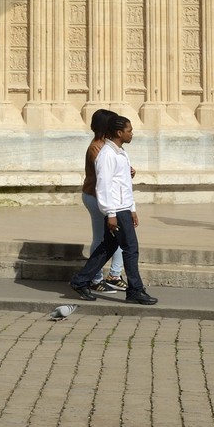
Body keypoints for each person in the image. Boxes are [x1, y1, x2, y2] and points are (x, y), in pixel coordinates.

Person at [69, 113, 158, 305]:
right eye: (129, 130)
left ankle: (80, 280)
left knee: (108, 247)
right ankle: (135, 289)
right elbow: (103, 186)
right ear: (119, 133)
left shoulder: (121, 153)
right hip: (116, 209)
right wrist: (110, 214)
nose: (131, 134)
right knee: (131, 248)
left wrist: (132, 208)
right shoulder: (106, 155)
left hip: (123, 207)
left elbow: (124, 184)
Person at [82, 108, 125, 294]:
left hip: (109, 198)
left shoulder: (108, 146)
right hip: (96, 197)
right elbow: (103, 177)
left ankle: (114, 275)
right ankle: (95, 278)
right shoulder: (97, 148)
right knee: (100, 238)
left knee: (116, 237)